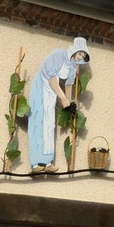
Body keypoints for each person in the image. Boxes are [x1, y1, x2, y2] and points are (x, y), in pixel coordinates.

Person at [28, 37, 90, 171]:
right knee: (38, 122)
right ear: (75, 50)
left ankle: (47, 162)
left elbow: (68, 85)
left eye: (83, 56)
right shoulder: (59, 55)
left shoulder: (73, 65)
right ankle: (35, 163)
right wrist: (62, 98)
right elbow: (51, 78)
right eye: (80, 54)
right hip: (41, 85)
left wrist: (69, 102)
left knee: (49, 123)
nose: (80, 57)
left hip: (52, 91)